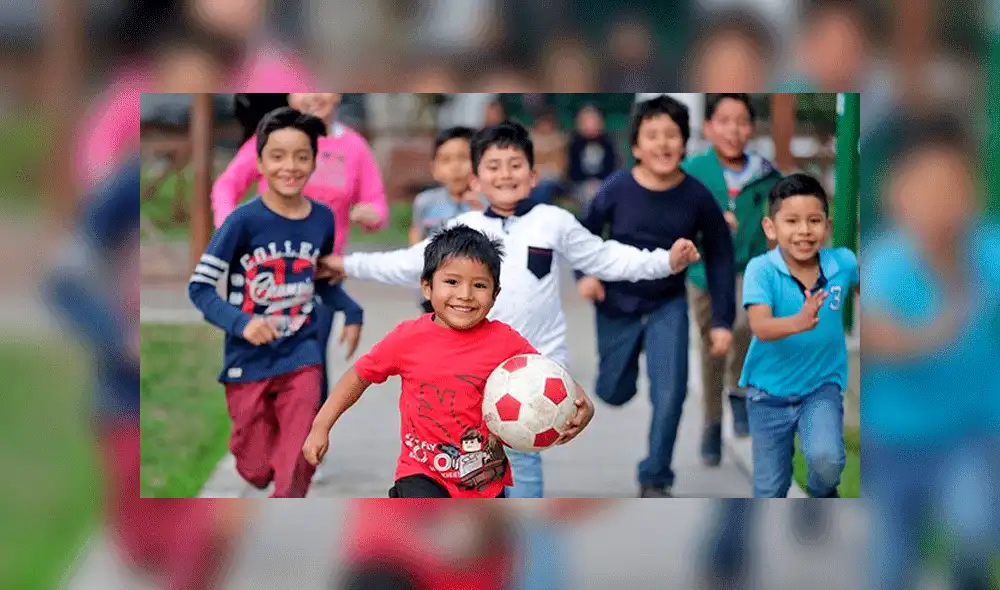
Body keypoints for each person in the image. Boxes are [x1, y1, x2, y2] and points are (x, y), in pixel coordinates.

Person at [316, 121, 701, 498]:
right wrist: (347, 264)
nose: (505, 175)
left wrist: (665, 261)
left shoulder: (553, 221)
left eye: (515, 165)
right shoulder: (464, 228)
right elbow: (408, 262)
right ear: (476, 179)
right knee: (475, 461)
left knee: (523, 459)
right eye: (493, 166)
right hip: (467, 370)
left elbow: (606, 257)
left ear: (532, 175)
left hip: (535, 372)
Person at [46, 157, 243, 587]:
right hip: (133, 405)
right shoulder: (132, 188)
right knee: (145, 550)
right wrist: (122, 339)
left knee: (205, 538)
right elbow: (65, 279)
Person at [302, 226, 597, 498]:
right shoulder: (408, 338)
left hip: (484, 479)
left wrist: (583, 405)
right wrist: (320, 426)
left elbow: (547, 377)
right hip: (421, 474)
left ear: (495, 295)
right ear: (427, 287)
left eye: (479, 286)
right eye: (452, 282)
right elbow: (359, 376)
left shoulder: (505, 341)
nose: (465, 295)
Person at [187, 107, 364, 498]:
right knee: (254, 468)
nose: (291, 166)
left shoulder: (322, 219)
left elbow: (317, 281)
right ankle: (264, 471)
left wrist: (352, 310)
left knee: (297, 458)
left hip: (301, 352)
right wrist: (242, 323)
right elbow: (199, 288)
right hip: (247, 359)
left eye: (302, 156)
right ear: (261, 163)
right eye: (278, 156)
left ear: (315, 161)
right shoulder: (241, 222)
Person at [861, 113, 1000, 589]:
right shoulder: (887, 260)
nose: (941, 200)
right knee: (892, 559)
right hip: (895, 439)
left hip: (970, 432)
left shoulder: (987, 250)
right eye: (926, 187)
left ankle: (971, 572)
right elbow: (876, 334)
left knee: (976, 525)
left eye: (954, 186)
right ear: (896, 195)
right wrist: (930, 335)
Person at [574, 95, 736, 497]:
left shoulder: (697, 196)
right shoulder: (616, 188)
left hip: (669, 303)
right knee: (612, 391)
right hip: (616, 302)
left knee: (671, 391)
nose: (663, 144)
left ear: (684, 143)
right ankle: (619, 379)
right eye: (653, 135)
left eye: (671, 135)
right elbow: (582, 236)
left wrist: (721, 321)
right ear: (636, 147)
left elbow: (719, 256)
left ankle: (655, 475)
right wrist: (586, 274)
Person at [740, 173, 859, 498]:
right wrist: (799, 321)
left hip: (821, 387)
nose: (804, 231)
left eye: (814, 221)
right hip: (768, 394)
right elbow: (761, 326)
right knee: (770, 488)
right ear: (771, 227)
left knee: (827, 460)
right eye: (791, 221)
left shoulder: (843, 264)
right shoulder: (761, 270)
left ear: (828, 225)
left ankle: (824, 496)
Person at [683, 93, 782, 466]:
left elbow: (789, 207)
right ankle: (712, 422)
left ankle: (739, 390)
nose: (733, 130)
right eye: (724, 121)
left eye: (741, 121)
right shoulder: (693, 172)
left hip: (749, 268)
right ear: (709, 127)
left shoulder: (766, 174)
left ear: (751, 129)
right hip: (705, 272)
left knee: (743, 326)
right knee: (713, 346)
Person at [211, 92, 389, 255]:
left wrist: (371, 214)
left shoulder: (354, 146)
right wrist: (228, 225)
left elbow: (376, 202)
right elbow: (227, 184)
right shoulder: (272, 136)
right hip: (268, 262)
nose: (314, 96)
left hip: (324, 268)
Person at [410, 126, 487, 313]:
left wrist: (484, 213)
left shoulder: (488, 202)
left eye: (463, 158)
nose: (455, 166)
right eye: (446, 160)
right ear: (434, 169)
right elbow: (417, 234)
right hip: (436, 292)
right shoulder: (425, 202)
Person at [566, 103, 618, 208]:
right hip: (579, 186)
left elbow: (612, 168)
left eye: (593, 120)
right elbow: (572, 170)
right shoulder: (574, 143)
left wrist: (599, 182)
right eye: (585, 120)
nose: (590, 124)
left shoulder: (608, 143)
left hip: (604, 184)